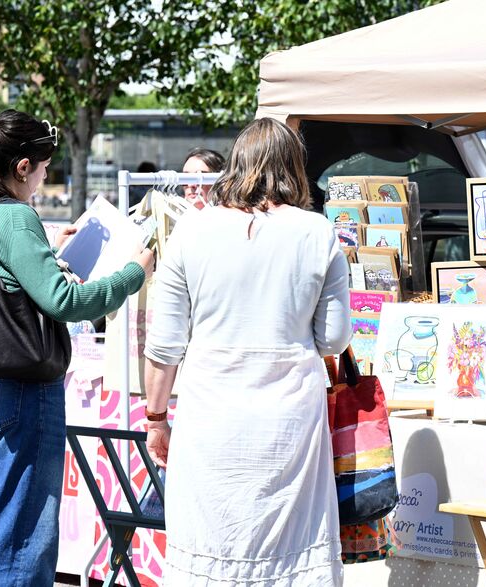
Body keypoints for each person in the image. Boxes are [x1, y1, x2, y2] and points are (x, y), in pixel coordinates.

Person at [0, 109, 155, 585]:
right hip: (23, 383)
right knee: (24, 534)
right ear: (22, 166)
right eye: (43, 166)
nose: (45, 175)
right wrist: (133, 274)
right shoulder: (17, 217)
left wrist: (48, 252)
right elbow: (65, 301)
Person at [144, 118, 351, 585]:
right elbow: (333, 338)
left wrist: (156, 419)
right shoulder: (317, 233)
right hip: (290, 423)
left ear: (236, 165)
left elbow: (164, 346)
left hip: (209, 415)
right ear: (294, 168)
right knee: (290, 553)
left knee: (210, 542)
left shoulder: (191, 233)